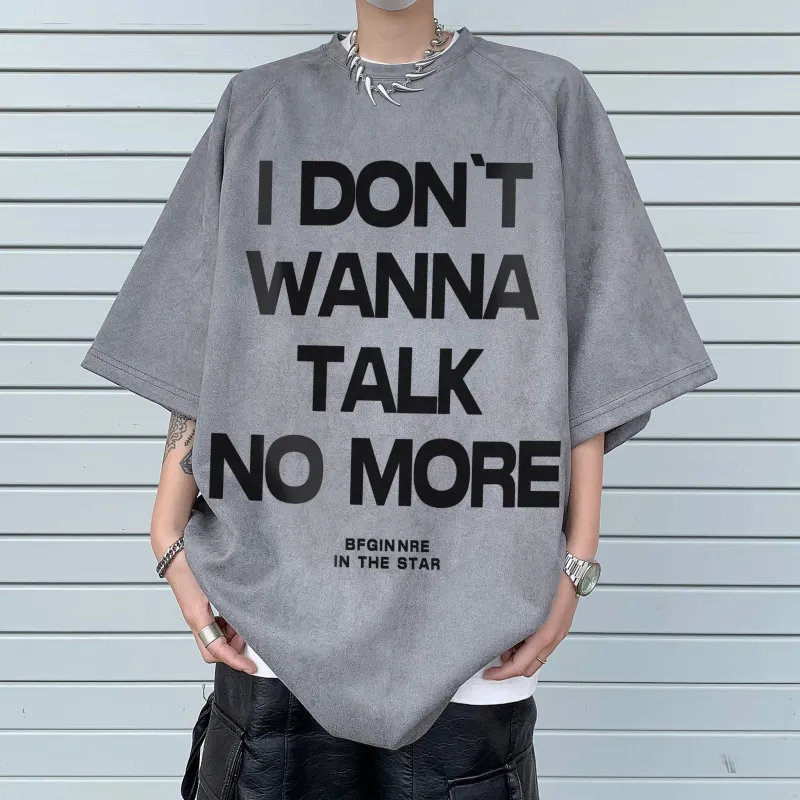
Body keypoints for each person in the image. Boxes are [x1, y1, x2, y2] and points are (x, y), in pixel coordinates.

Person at [80, 1, 718, 797]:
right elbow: (206, 338)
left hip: (476, 620)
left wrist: (575, 566)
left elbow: (586, 349)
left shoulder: (543, 99)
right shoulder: (262, 104)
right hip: (273, 611)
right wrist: (166, 530)